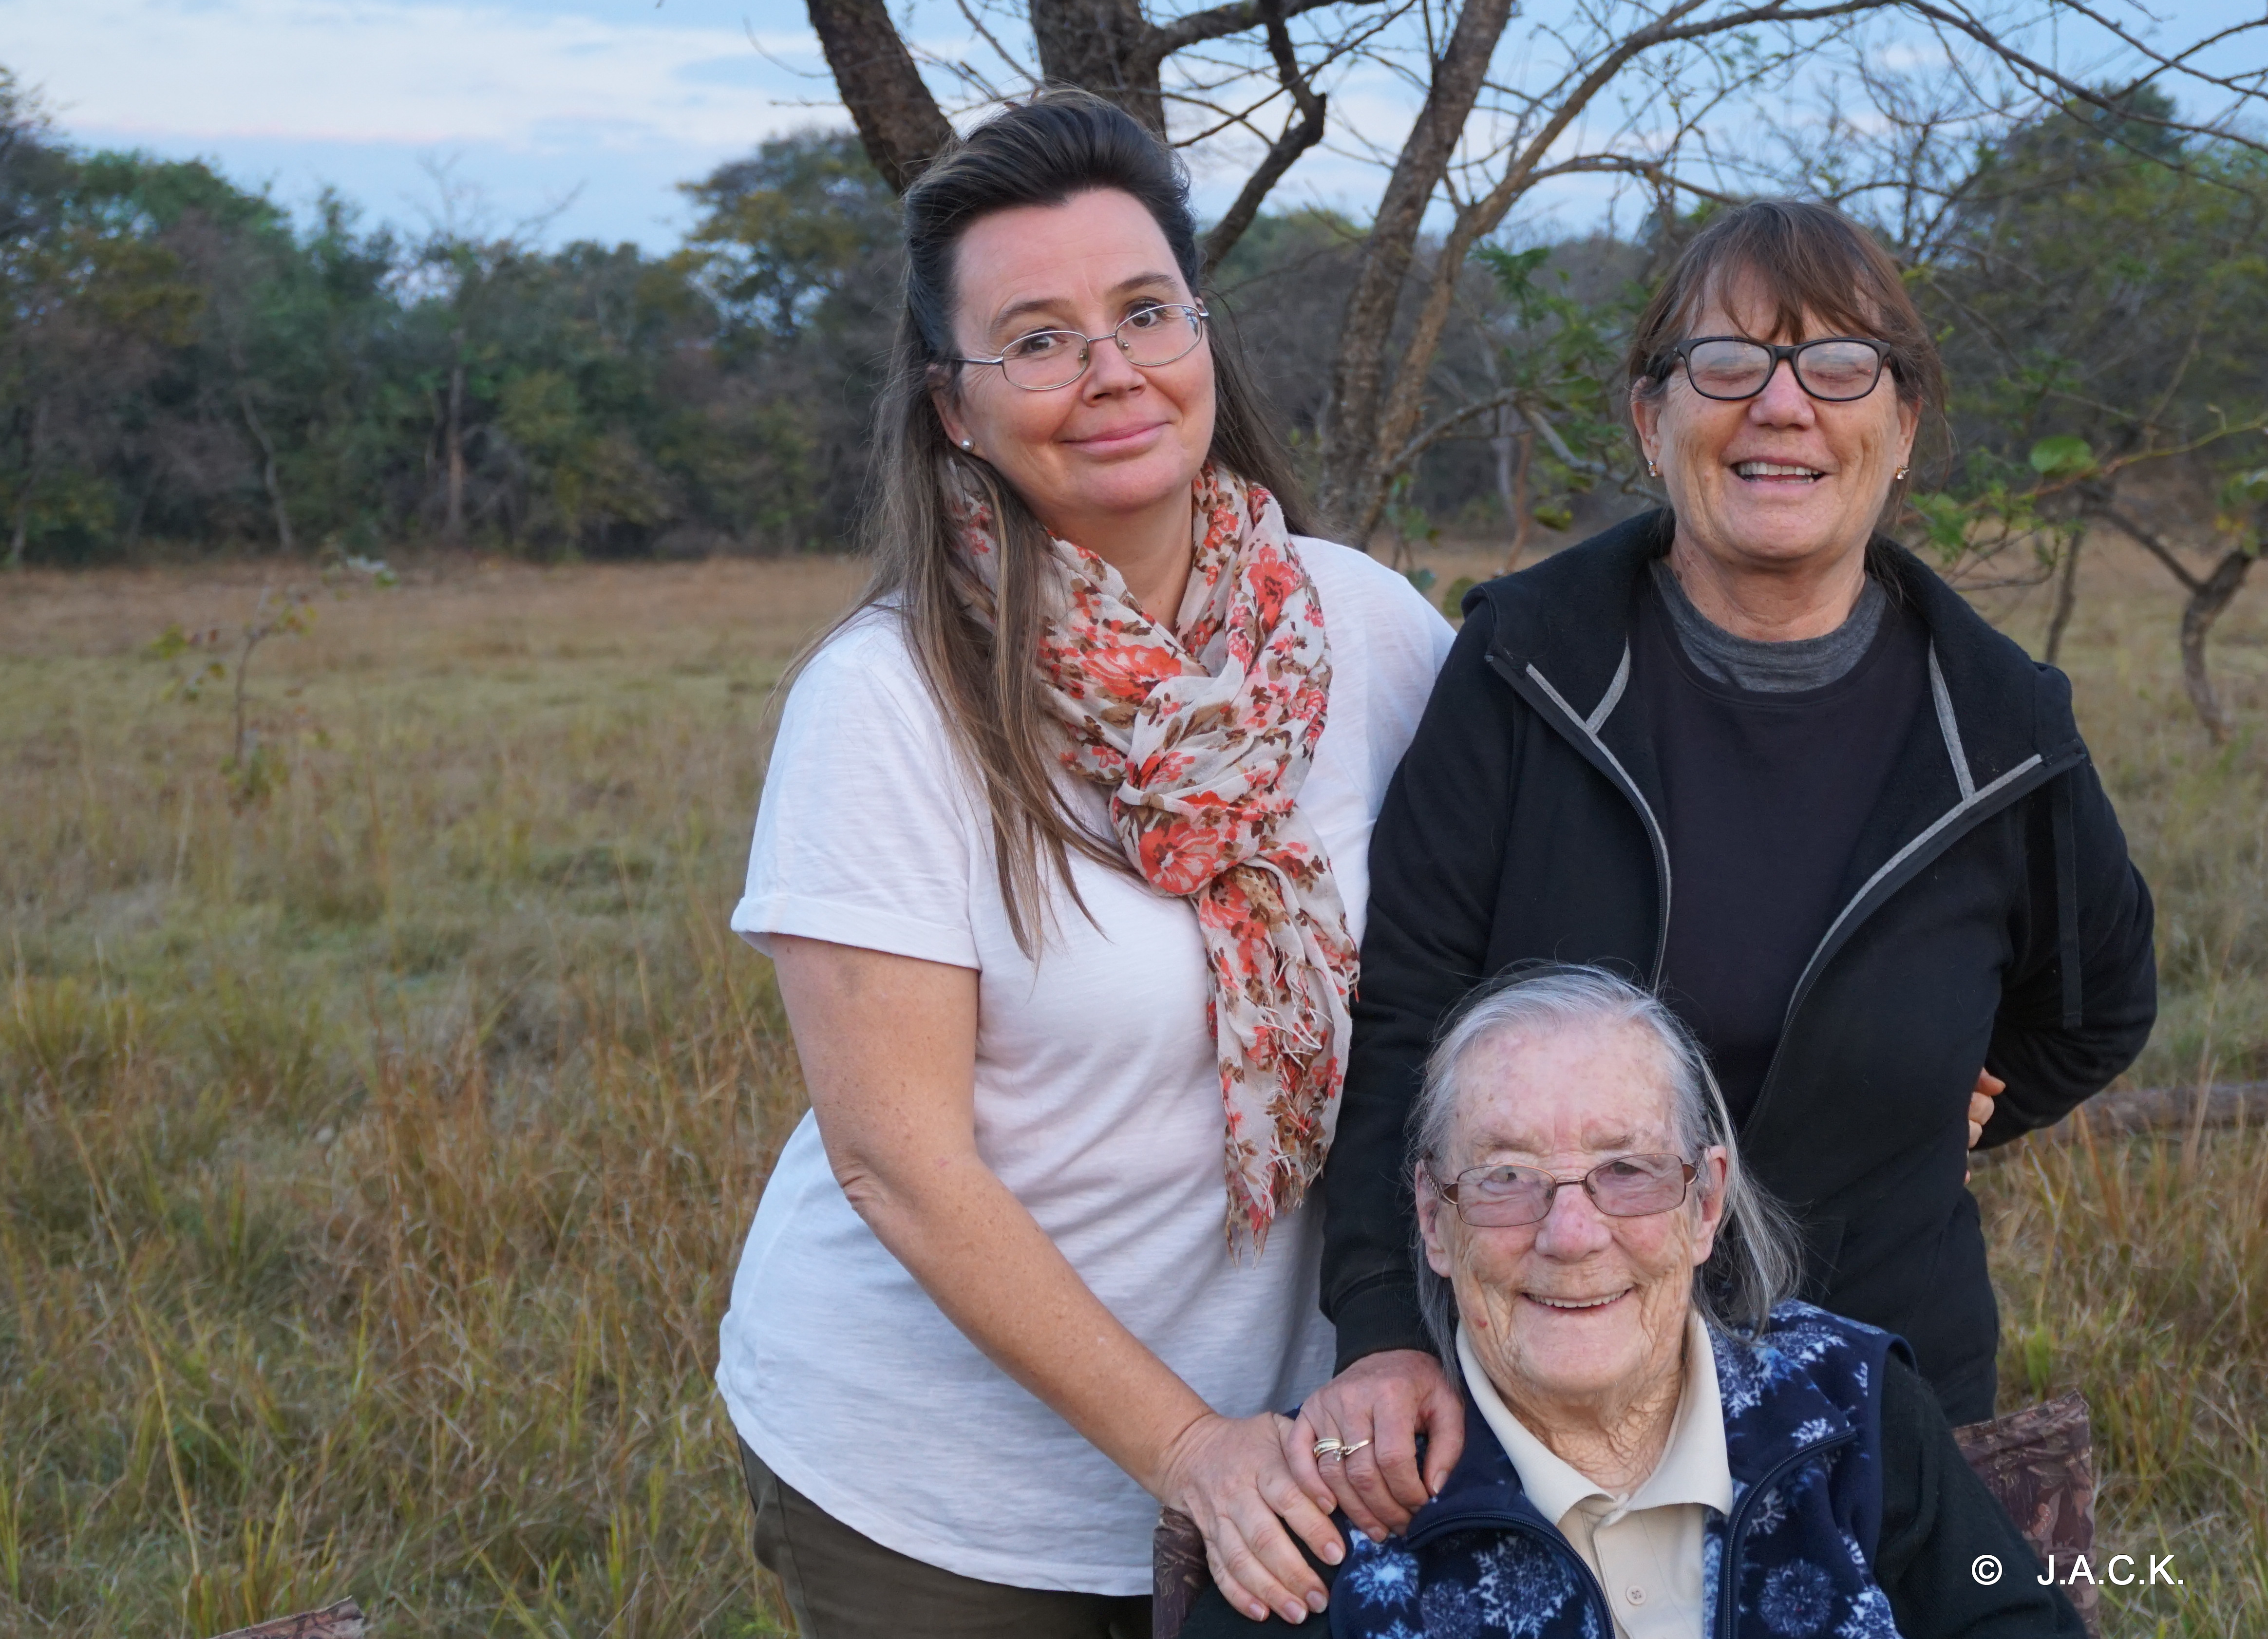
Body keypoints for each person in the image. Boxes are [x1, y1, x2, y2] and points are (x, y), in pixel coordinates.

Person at [1300, 199, 2156, 1544]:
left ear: (1904, 428)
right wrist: (1381, 1326)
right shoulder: (1526, 666)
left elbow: (2102, 1005)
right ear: (1652, 419)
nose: (1782, 405)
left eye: (1840, 366)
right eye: (1728, 362)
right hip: (1537, 1386)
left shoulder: (2001, 727)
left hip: (1876, 1395)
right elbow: (1402, 1016)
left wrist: (1936, 1095)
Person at [715, 91, 1454, 1636]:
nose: (1111, 368)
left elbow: (1536, 921)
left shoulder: (1366, 628)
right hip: (947, 1486)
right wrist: (1186, 1447)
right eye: (1038, 339)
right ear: (953, 405)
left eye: (1144, 312)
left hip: (1304, 1441)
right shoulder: (889, 700)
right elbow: (899, 1163)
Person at [1184, 967, 2087, 1637]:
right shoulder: (1323, 1514)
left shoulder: (1855, 1405)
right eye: (1506, 1176)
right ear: (1433, 1219)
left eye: (1628, 1170)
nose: (1572, 1233)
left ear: (1706, 1203)